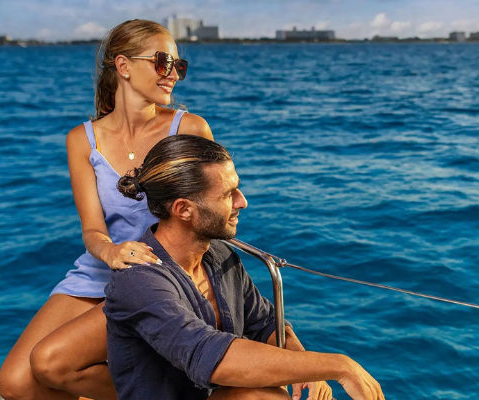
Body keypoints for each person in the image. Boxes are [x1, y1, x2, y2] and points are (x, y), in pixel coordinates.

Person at [0, 19, 213, 400]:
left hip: (159, 276)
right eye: (163, 62)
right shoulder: (81, 140)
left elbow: (211, 215)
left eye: (179, 66)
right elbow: (93, 230)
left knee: (51, 365)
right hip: (99, 270)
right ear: (124, 66)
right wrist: (111, 251)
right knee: (16, 382)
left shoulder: (190, 130)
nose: (173, 75)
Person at [105, 135, 385, 400]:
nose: (242, 201)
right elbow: (207, 355)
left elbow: (263, 324)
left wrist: (306, 370)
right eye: (228, 194)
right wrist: (338, 365)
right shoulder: (139, 279)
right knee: (264, 396)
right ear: (183, 209)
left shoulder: (219, 254)